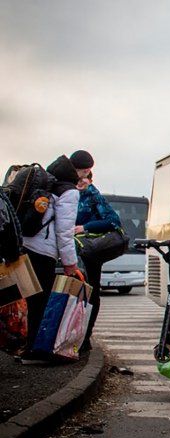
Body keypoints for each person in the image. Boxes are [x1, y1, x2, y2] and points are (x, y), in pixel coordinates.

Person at [20, 155, 81, 363]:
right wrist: (70, 263)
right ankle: (37, 351)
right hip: (43, 251)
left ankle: (27, 348)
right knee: (42, 302)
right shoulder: (69, 191)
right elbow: (65, 231)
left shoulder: (45, 185)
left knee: (31, 300)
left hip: (25, 245)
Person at [72, 151, 122, 354]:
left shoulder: (92, 195)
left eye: (85, 180)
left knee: (90, 293)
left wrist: (84, 227)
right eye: (79, 179)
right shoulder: (66, 192)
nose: (81, 183)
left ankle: (85, 337)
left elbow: (113, 221)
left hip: (89, 252)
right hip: (70, 251)